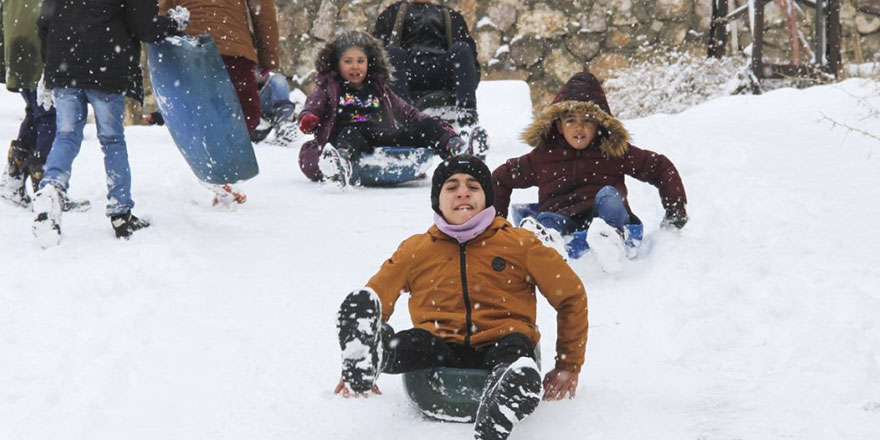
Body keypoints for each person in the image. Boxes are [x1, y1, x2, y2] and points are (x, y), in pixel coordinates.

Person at [333, 155, 588, 440]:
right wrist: (361, 353)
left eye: (473, 186)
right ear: (437, 201)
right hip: (439, 345)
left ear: (488, 199)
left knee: (515, 348)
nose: (463, 192)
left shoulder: (519, 244)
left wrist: (568, 365)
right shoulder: (417, 250)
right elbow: (376, 299)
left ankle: (507, 391)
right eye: (451, 187)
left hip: (502, 342)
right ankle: (376, 354)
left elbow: (571, 296)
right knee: (414, 341)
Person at [492, 71, 688, 272]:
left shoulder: (612, 151)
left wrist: (675, 209)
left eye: (587, 120)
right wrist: (496, 227)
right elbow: (500, 178)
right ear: (559, 126)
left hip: (605, 219)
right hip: (562, 221)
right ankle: (549, 246)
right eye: (571, 121)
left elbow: (659, 167)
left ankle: (610, 243)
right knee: (546, 220)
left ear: (599, 124)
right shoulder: (543, 157)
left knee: (609, 196)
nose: (579, 128)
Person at [31, 0, 188, 247]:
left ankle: (51, 189)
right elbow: (144, 27)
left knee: (66, 135)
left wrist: (50, 70)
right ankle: (120, 212)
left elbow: (44, 22)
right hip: (106, 67)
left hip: (63, 65)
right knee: (112, 140)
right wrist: (174, 23)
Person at [297, 30, 468, 189]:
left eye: (360, 61)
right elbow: (313, 106)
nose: (355, 66)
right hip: (351, 139)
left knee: (425, 126)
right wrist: (309, 118)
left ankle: (453, 147)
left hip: (382, 135)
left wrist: (436, 127)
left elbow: (409, 113)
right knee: (349, 133)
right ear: (336, 64)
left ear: (369, 63)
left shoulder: (379, 89)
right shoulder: (329, 87)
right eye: (348, 61)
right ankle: (341, 162)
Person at [159, 0, 281, 206]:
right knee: (245, 115)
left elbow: (163, 8)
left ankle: (215, 172)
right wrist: (269, 58)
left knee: (198, 116)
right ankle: (223, 175)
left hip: (189, 47)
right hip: (232, 49)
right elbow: (263, 12)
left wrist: (160, 46)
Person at [373, 0, 480, 130]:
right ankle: (403, 116)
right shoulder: (391, 14)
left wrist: (468, 85)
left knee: (462, 48)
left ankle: (467, 115)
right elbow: (376, 51)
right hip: (408, 72)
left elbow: (470, 59)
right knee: (392, 53)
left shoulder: (450, 15)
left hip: (442, 70)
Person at [0, 0, 57, 208]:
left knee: (35, 112)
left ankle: (14, 178)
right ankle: (47, 190)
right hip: (39, 46)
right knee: (49, 115)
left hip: (17, 46)